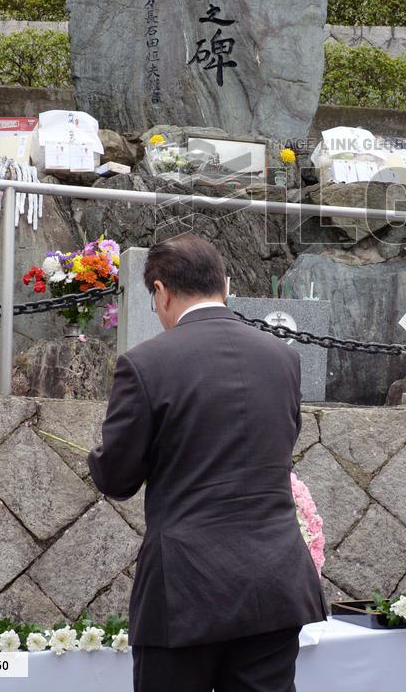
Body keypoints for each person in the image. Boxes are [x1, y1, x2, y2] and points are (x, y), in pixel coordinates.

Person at [88, 234, 327, 692]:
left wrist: (97, 458)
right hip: (273, 584)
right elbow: (280, 447)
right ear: (224, 284)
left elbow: (117, 478)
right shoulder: (283, 358)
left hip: (184, 590)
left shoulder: (145, 364)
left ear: (161, 291)